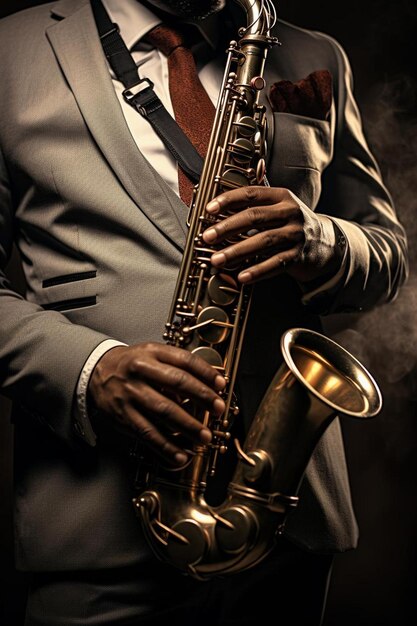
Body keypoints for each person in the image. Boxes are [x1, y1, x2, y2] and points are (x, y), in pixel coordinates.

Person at [0, 0, 408, 624]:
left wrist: (315, 238)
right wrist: (88, 370)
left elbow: (387, 256)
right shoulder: (10, 51)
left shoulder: (314, 53)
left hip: (287, 530)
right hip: (95, 527)